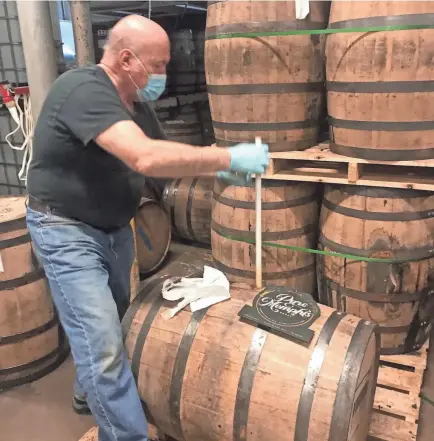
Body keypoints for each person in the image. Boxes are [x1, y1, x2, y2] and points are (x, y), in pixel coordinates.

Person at [25, 14, 269, 441]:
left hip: (113, 229)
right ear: (126, 59)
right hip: (65, 230)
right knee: (101, 343)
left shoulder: (135, 107)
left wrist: (219, 175)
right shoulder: (84, 90)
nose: (164, 75)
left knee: (111, 323)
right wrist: (227, 158)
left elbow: (164, 164)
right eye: (158, 65)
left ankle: (87, 396)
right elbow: (145, 158)